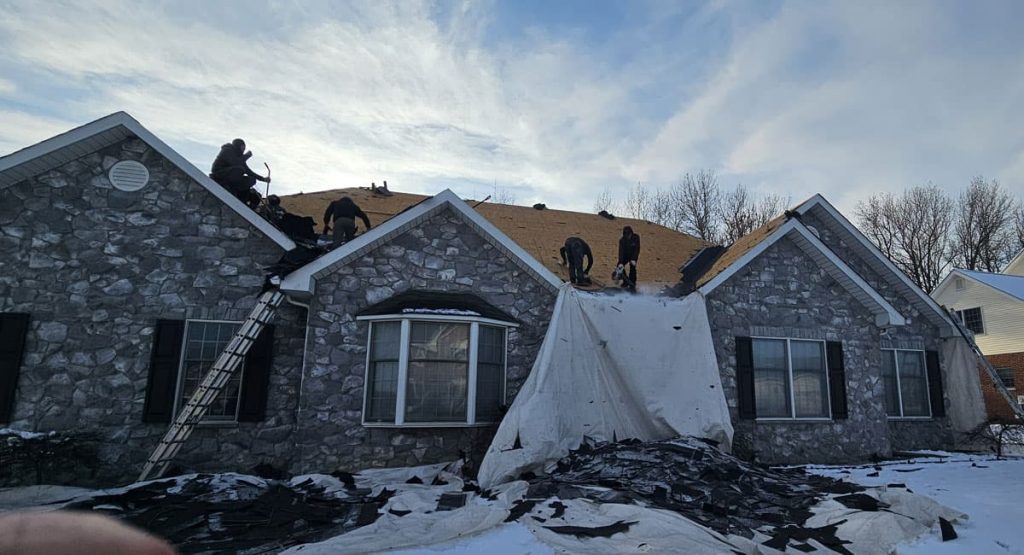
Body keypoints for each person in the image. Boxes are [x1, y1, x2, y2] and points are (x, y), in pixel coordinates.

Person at [210, 138, 270, 209]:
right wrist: (246, 156)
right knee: (239, 169)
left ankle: (241, 198)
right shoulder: (227, 150)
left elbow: (249, 171)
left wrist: (263, 179)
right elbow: (235, 162)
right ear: (237, 146)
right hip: (219, 173)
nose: (243, 150)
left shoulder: (240, 158)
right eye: (242, 148)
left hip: (232, 176)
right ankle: (227, 186)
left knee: (251, 179)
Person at [617, 225, 640, 291]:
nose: (628, 236)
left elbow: (637, 249)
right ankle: (625, 282)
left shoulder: (636, 237)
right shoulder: (622, 240)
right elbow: (620, 252)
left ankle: (632, 283)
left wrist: (634, 259)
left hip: (633, 256)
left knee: (632, 267)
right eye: (626, 235)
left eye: (629, 234)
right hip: (625, 255)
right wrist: (621, 262)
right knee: (619, 267)